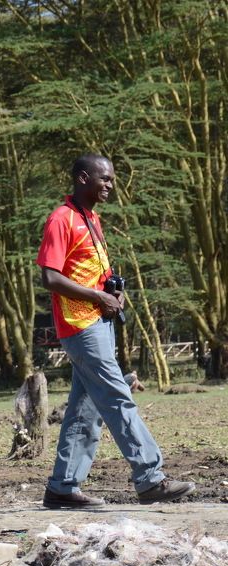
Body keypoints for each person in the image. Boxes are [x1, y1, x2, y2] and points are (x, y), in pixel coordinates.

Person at [36, 154, 195, 509]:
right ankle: (150, 478)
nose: (110, 185)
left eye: (111, 179)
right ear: (82, 178)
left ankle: (62, 487)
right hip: (80, 326)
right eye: (103, 179)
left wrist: (109, 290)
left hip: (99, 321)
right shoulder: (62, 219)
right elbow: (50, 276)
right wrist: (95, 296)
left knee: (85, 407)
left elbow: (86, 271)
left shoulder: (90, 219)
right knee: (117, 396)